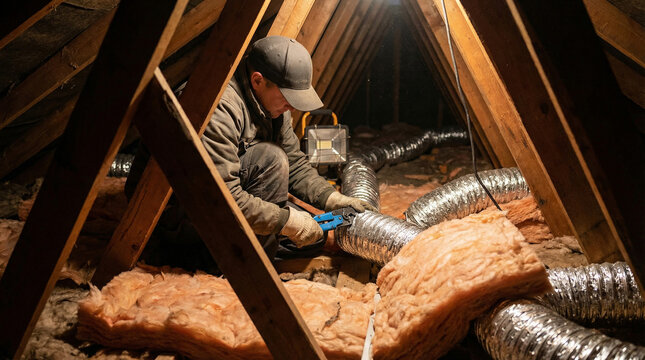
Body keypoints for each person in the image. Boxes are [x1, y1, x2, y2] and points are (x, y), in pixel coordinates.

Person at [201, 35, 375, 259]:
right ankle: (240, 262)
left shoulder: (272, 106)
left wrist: (331, 199)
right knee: (271, 157)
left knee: (315, 236)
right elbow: (222, 199)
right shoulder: (219, 109)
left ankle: (261, 246)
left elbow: (295, 163)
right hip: (196, 221)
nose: (291, 108)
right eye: (287, 97)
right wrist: (287, 222)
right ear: (257, 81)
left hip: (240, 205)